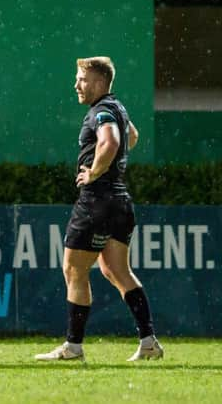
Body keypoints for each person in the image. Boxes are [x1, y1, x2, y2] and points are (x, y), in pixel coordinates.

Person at [34, 56, 164, 362]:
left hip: (97, 200)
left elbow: (112, 141)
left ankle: (73, 347)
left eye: (81, 79)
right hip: (120, 200)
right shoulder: (117, 108)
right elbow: (131, 135)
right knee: (115, 269)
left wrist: (93, 171)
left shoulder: (101, 111)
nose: (76, 84)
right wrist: (111, 167)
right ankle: (149, 342)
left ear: (99, 83)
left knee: (74, 269)